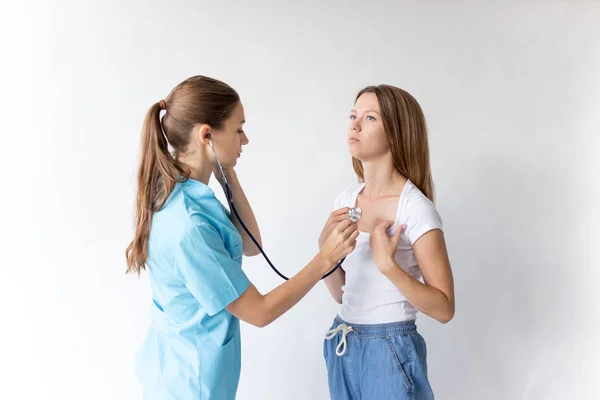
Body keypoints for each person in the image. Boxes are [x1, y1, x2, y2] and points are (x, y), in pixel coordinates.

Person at [126, 75, 358, 399]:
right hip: (189, 386)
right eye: (238, 129)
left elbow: (251, 246)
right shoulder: (189, 224)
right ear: (206, 135)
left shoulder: (190, 197)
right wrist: (326, 259)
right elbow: (259, 312)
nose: (244, 139)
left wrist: (228, 174)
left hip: (181, 373)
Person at [320, 85, 455, 400]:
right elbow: (342, 294)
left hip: (390, 347)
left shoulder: (415, 208)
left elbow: (445, 308)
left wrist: (389, 267)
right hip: (344, 341)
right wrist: (324, 254)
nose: (354, 125)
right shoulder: (346, 200)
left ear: (396, 134)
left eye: (369, 118)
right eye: (353, 116)